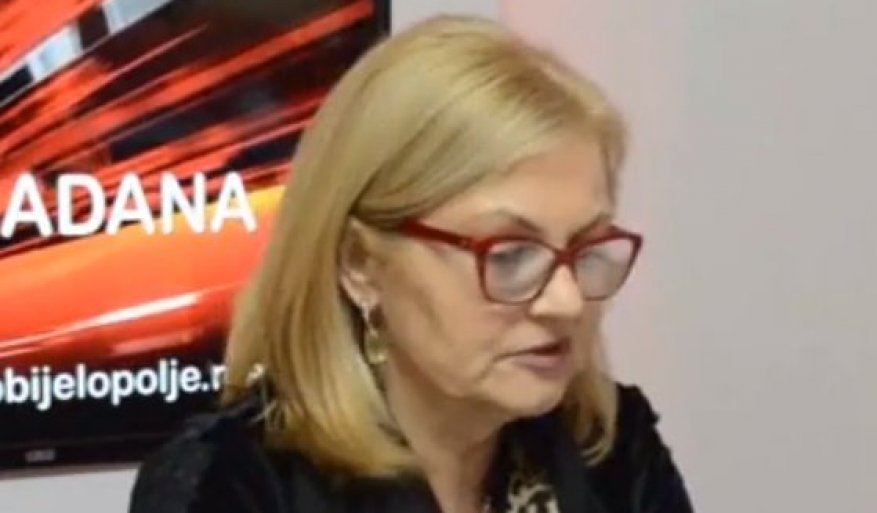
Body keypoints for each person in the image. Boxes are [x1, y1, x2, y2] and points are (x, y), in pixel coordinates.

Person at [129, 14, 694, 513]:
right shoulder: (235, 485)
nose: (566, 301)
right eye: (511, 255)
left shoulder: (609, 450)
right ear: (360, 264)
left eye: (586, 248)